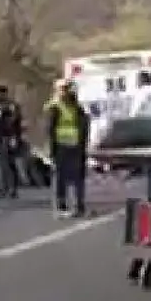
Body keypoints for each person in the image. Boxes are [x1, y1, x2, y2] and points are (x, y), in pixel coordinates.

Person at [46, 79, 89, 218]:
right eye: (63, 89)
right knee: (60, 178)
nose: (66, 91)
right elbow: (49, 130)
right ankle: (61, 205)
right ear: (57, 90)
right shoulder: (54, 107)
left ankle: (79, 206)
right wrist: (51, 150)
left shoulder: (76, 106)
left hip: (75, 146)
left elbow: (84, 125)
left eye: (67, 88)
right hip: (60, 147)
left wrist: (84, 145)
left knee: (78, 177)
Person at [0, 84, 23, 199]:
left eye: (1, 93)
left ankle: (12, 188)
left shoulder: (11, 106)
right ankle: (2, 188)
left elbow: (15, 120)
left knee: (9, 164)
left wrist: (15, 137)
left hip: (9, 137)